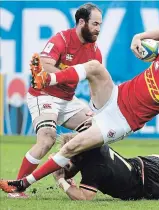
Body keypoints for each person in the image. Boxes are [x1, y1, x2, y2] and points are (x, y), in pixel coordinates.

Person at [0, 28, 159, 194]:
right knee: (95, 68)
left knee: (72, 146)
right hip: (114, 96)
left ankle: (24, 183)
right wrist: (138, 36)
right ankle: (46, 78)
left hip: (119, 122)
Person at [9, 3, 102, 199]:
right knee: (47, 138)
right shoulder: (61, 39)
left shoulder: (95, 51)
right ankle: (17, 187)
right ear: (81, 22)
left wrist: (96, 107)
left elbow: (96, 81)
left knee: (95, 132)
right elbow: (44, 65)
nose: (98, 29)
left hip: (68, 100)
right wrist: (68, 76)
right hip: (43, 95)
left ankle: (66, 172)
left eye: (100, 24)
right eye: (94, 24)